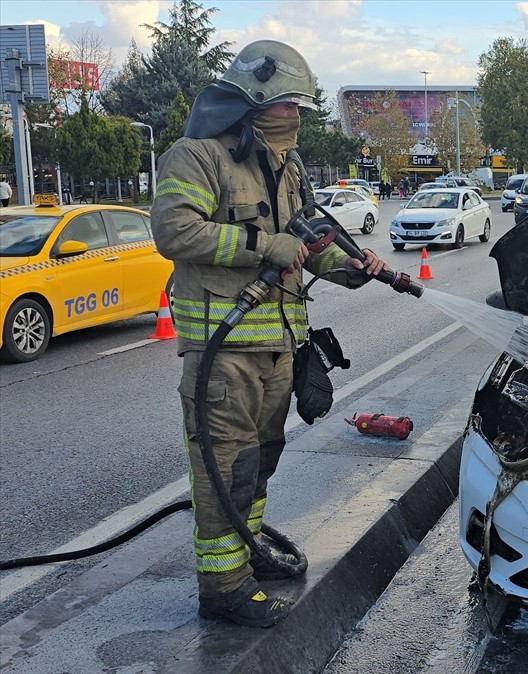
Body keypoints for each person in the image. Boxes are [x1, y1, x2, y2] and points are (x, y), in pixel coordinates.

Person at [150, 40, 389, 629]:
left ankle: (249, 553)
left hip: (279, 347)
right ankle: (224, 590)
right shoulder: (198, 156)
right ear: (254, 101)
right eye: (289, 106)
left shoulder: (288, 165)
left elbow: (305, 242)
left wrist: (350, 267)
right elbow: (174, 231)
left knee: (259, 464)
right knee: (225, 472)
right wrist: (262, 246)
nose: (297, 117)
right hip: (224, 354)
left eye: (302, 108)